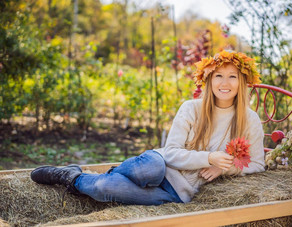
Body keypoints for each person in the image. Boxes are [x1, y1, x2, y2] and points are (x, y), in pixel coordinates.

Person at [30, 50, 265, 205]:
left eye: (232, 77)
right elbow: (171, 152)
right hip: (161, 164)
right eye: (219, 76)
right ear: (209, 79)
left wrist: (223, 168)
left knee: (102, 188)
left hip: (177, 192)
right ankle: (120, 172)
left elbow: (257, 163)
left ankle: (69, 175)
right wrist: (209, 158)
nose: (225, 83)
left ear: (242, 81)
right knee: (148, 171)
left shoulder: (249, 119)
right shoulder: (191, 108)